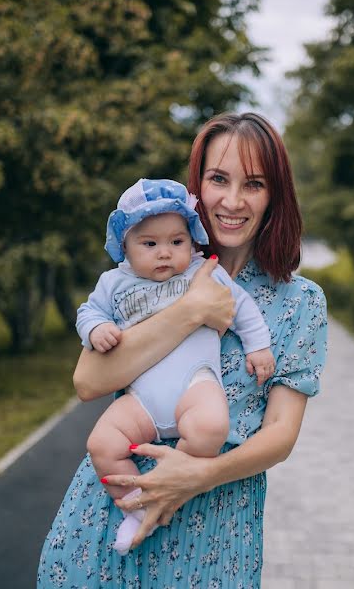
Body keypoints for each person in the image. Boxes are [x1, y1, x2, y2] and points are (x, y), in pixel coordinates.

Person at [37, 112, 328, 588]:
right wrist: (191, 309)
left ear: (274, 195)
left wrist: (196, 475)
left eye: (253, 184)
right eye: (218, 179)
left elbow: (280, 433)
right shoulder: (150, 266)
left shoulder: (300, 303)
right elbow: (89, 382)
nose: (233, 201)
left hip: (215, 525)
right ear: (196, 188)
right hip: (108, 515)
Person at [76, 177, 276, 555]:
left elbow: (243, 307)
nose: (165, 253)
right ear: (125, 246)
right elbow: (88, 312)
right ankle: (136, 506)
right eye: (149, 244)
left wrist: (259, 347)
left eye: (176, 241)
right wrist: (97, 328)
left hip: (193, 386)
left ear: (192, 240)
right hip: (140, 401)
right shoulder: (114, 282)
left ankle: (175, 477)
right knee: (101, 444)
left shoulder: (203, 272)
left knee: (211, 425)